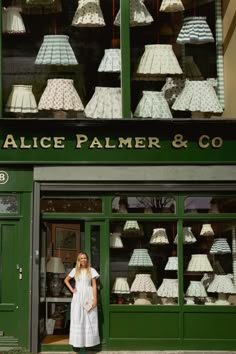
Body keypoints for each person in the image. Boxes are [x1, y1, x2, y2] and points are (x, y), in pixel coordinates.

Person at [64, 251, 100, 353]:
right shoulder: (75, 270)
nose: (83, 260)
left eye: (85, 258)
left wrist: (95, 299)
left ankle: (88, 343)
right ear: (78, 260)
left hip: (88, 296)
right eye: (81, 258)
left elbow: (94, 285)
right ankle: (79, 344)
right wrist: (72, 289)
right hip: (78, 297)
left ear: (87, 259)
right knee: (78, 318)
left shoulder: (91, 270)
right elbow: (66, 280)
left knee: (89, 318)